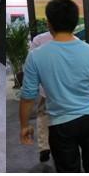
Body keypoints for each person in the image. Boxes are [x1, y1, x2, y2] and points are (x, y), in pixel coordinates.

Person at [20, 0, 89, 173]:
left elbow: (28, 96)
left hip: (60, 124)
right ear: (76, 23)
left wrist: (24, 125)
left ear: (49, 23)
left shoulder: (36, 56)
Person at [29, 30, 54, 163]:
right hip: (67, 91)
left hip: (45, 88)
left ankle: (44, 146)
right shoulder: (75, 41)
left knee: (43, 115)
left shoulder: (39, 40)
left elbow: (31, 66)